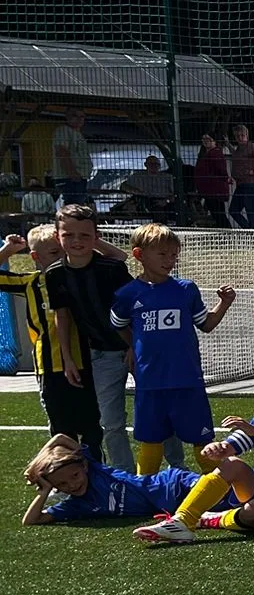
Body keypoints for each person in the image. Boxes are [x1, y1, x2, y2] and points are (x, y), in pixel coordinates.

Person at [141, 365, 254, 541]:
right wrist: (217, 449)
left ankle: (213, 519)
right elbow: (229, 447)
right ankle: (182, 520)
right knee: (231, 464)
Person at [110, 224, 234, 474]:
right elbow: (118, 324)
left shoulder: (185, 289)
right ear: (139, 255)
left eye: (174, 255)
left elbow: (206, 324)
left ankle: (220, 488)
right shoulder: (127, 294)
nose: (169, 260)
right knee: (150, 442)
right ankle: (145, 489)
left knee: (202, 441)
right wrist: (133, 345)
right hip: (150, 382)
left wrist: (225, 303)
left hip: (187, 380)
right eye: (162, 254)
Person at [45, 203, 136, 468]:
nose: (77, 241)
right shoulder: (55, 274)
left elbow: (138, 308)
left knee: (157, 416)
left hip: (137, 350)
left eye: (85, 235)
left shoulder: (111, 268)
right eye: (68, 235)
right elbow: (63, 317)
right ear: (57, 236)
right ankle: (124, 477)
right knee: (110, 422)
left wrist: (135, 345)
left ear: (96, 237)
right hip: (101, 354)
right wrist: (68, 359)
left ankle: (171, 471)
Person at [0, 225, 96, 444]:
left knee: (91, 424)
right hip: (49, 365)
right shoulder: (30, 283)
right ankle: (63, 463)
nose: (60, 256)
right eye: (54, 253)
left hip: (85, 361)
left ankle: (93, 463)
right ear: (36, 257)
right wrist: (7, 250)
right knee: (61, 426)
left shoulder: (78, 277)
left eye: (62, 250)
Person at [21, 434, 207, 528]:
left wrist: (34, 466)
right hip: (174, 506)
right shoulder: (76, 506)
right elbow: (31, 520)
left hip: (173, 484)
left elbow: (60, 438)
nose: (72, 485)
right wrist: (44, 491)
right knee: (215, 512)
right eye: (61, 484)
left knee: (221, 493)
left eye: (75, 476)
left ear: (84, 466)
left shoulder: (95, 470)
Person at [228, 123, 254, 230]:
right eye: (237, 136)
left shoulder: (251, 147)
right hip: (241, 184)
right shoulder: (239, 148)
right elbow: (235, 154)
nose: (240, 138)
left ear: (247, 135)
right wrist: (227, 144)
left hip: (251, 183)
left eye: (242, 135)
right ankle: (249, 230)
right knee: (233, 210)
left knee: (250, 212)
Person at [49, 108, 92, 203]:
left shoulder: (78, 133)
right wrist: (73, 174)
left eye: (82, 116)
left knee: (77, 206)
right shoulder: (63, 130)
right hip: (69, 178)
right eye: (75, 116)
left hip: (78, 178)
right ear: (67, 117)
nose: (79, 119)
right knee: (72, 207)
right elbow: (62, 152)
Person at [193, 134, 232, 225]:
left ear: (215, 141)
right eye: (204, 139)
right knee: (217, 214)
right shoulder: (208, 154)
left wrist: (225, 178)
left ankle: (228, 231)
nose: (206, 141)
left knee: (218, 214)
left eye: (209, 139)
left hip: (215, 190)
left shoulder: (215, 153)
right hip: (210, 189)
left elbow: (221, 170)